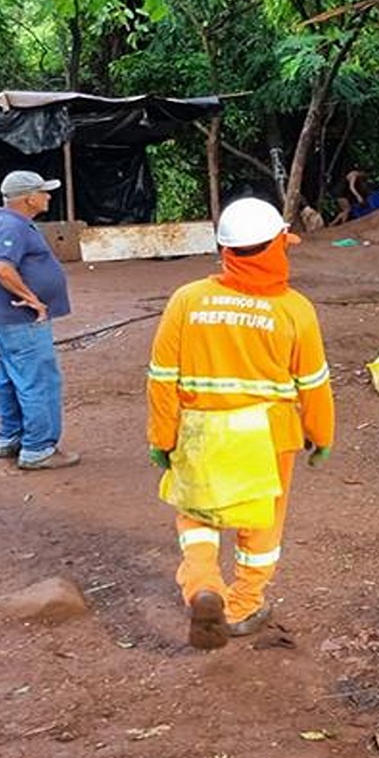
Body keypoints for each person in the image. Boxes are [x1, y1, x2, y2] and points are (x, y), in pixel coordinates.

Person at [146, 198, 335, 649]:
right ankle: (244, 603)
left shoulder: (187, 300)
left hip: (200, 430)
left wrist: (161, 437)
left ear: (226, 250)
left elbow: (161, 379)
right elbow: (314, 384)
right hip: (270, 438)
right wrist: (322, 436)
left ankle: (202, 587)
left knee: (197, 515)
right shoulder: (295, 309)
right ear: (275, 246)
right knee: (261, 525)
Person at [0, 169, 79, 471]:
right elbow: (0, 267)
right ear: (28, 198)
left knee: (11, 378)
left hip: (7, 320)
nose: (48, 196)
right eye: (43, 191)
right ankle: (38, 448)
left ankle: (11, 437)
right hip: (22, 322)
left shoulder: (6, 223)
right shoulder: (13, 227)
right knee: (39, 382)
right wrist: (34, 299)